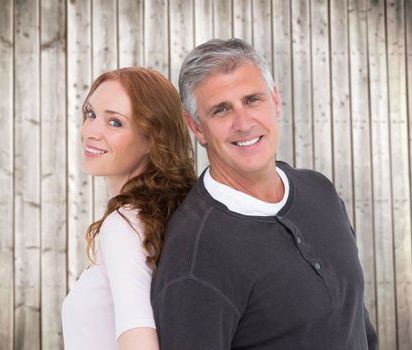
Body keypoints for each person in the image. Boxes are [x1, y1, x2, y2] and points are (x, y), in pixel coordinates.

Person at [151, 38, 378, 349]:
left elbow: (355, 323)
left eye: (252, 99)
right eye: (221, 110)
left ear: (275, 101)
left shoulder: (319, 191)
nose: (243, 123)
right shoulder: (195, 257)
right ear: (197, 128)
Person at [62, 67, 197, 350]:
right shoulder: (161, 218)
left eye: (115, 123)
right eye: (91, 114)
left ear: (152, 139)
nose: (91, 132)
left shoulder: (124, 225)